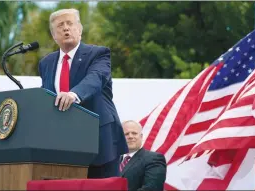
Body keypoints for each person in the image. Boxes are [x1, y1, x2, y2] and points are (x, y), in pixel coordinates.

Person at [38, 8, 128, 178]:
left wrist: (73, 94)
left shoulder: (98, 54)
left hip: (100, 142)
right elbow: (46, 95)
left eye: (70, 23)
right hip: (62, 146)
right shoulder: (46, 63)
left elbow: (96, 78)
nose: (66, 28)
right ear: (53, 35)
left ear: (79, 29)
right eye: (60, 26)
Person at [120, 120, 167, 191]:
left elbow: (152, 188)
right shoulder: (113, 161)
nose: (130, 136)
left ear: (141, 136)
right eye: (126, 134)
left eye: (134, 133)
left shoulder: (154, 158)